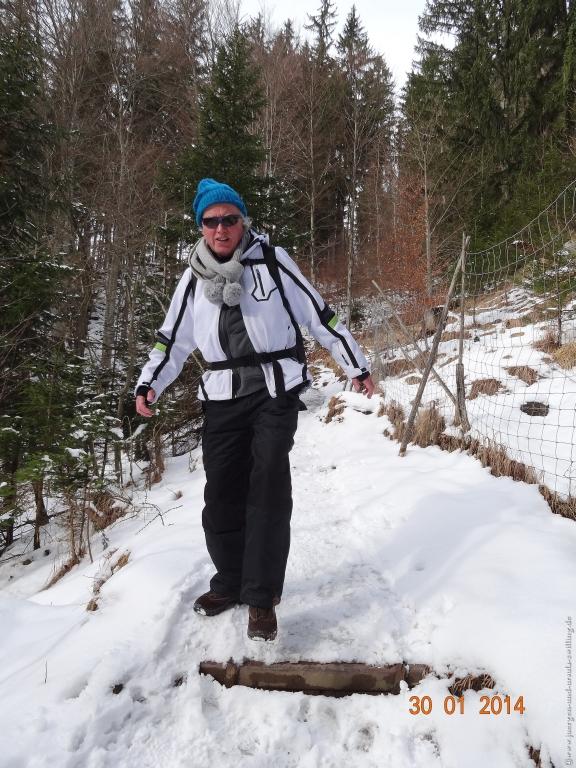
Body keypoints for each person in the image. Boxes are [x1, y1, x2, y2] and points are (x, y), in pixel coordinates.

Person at [135, 178, 375, 642]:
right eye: (211, 221)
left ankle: (262, 598)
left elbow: (319, 315)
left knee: (267, 484)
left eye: (229, 219)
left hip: (273, 391)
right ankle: (230, 581)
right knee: (222, 492)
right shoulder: (193, 277)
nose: (221, 228)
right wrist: (150, 383)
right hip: (221, 395)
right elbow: (172, 340)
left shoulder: (271, 261)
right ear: (201, 227)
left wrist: (355, 365)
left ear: (242, 221)